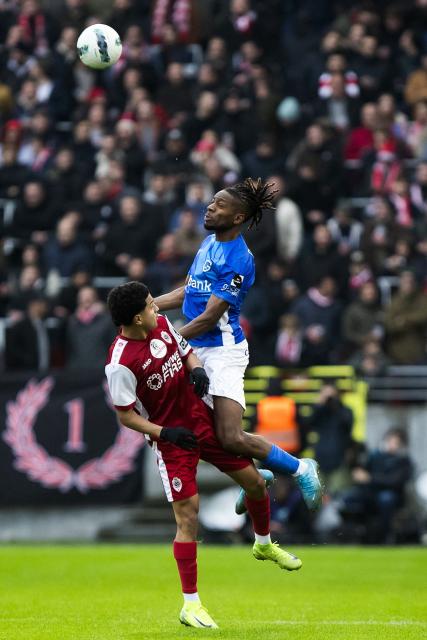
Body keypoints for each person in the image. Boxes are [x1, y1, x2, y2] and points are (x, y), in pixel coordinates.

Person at [105, 281, 302, 630]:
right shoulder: (120, 362)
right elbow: (125, 415)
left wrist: (195, 367)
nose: (158, 308)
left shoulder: (161, 325)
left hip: (202, 420)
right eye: (151, 305)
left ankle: (263, 544)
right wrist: (164, 433)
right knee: (188, 517)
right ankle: (191, 605)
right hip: (172, 440)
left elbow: (186, 352)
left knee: (255, 483)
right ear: (137, 318)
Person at [154, 178, 322, 511]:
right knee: (198, 433)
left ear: (237, 217)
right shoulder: (207, 243)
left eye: (219, 204)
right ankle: (254, 475)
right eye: (211, 201)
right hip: (194, 348)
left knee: (229, 436)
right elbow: (188, 291)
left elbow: (210, 315)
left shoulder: (240, 259)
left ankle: (301, 468)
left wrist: (165, 341)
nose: (210, 206)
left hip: (221, 351)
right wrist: (147, 306)